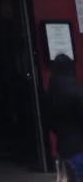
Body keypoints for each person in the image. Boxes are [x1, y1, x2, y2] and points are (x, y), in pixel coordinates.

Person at [46, 53, 83, 181]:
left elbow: (49, 121)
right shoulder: (77, 90)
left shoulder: (50, 93)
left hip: (63, 147)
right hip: (79, 146)